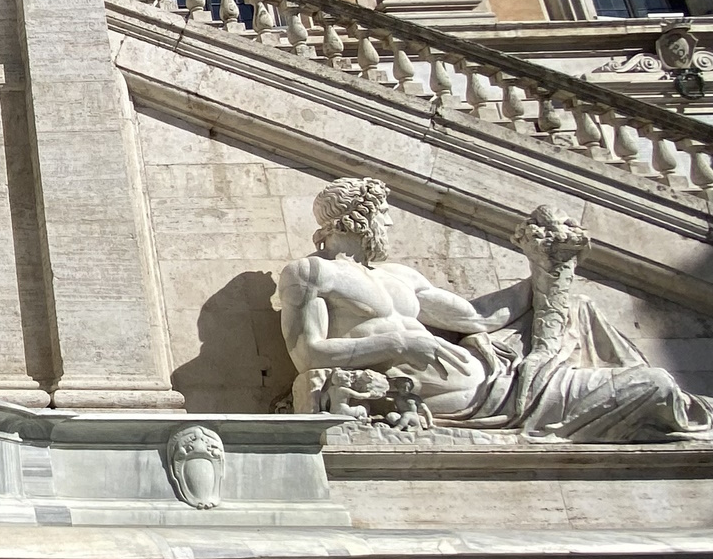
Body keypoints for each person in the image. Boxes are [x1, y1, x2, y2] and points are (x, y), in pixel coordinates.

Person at [279, 177, 710, 442]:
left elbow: (477, 317)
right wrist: (398, 341)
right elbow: (308, 354)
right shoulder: (311, 273)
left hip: (501, 384)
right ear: (359, 217)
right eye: (385, 214)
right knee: (654, 386)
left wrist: (543, 265)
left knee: (610, 340)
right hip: (452, 399)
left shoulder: (400, 277)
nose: (390, 224)